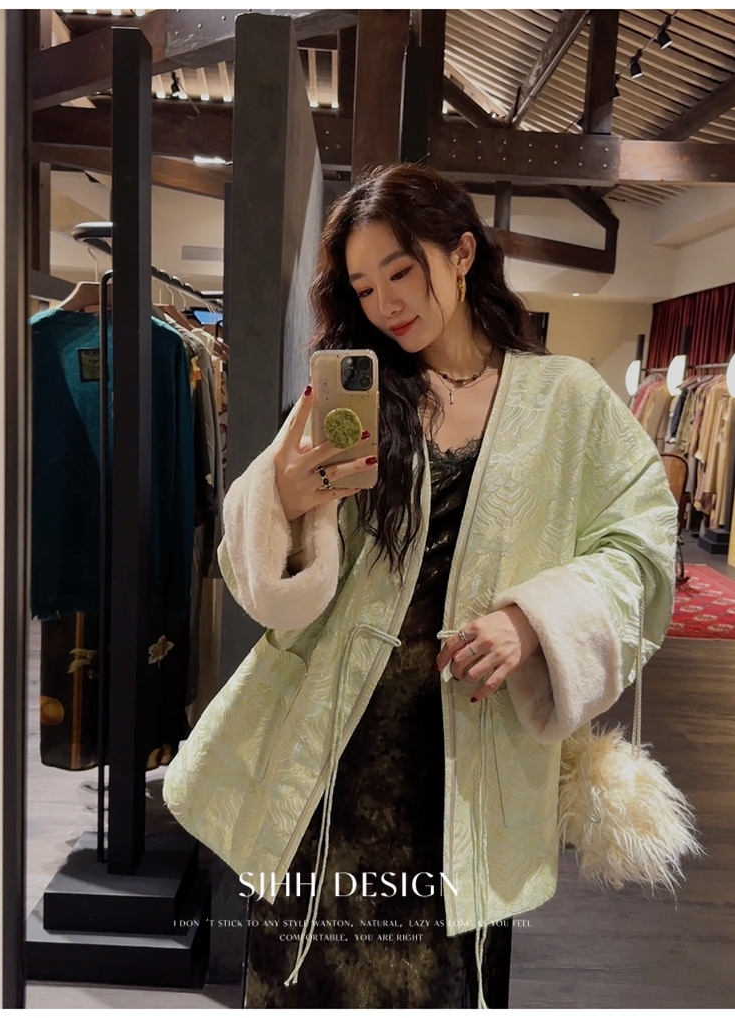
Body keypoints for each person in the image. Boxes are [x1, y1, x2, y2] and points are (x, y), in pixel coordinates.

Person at [162, 164, 678, 1009]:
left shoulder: (568, 401)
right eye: (364, 287)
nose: (385, 303)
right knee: (304, 970)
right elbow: (258, 572)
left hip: (470, 749)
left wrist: (535, 619)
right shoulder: (350, 391)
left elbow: (642, 546)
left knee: (437, 976)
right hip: (330, 740)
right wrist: (283, 498)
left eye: (400, 271)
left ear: (462, 252)